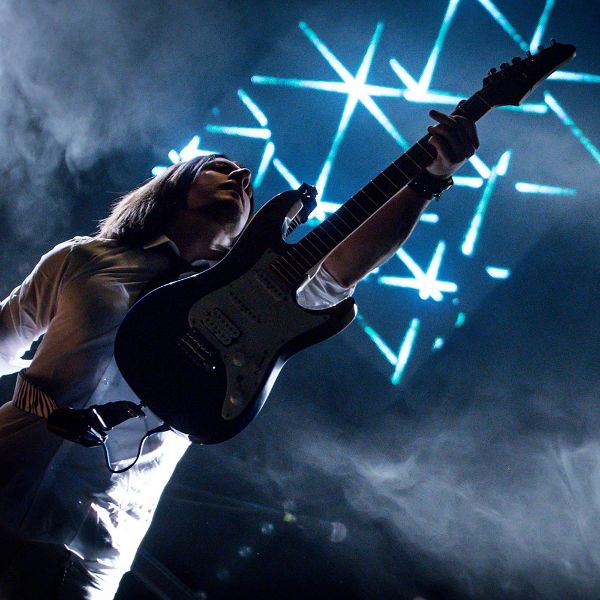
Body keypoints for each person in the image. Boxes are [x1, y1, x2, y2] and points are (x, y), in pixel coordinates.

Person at [0, 108, 478, 599]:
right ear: (178, 182)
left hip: (85, 550)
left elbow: (344, 268)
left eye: (247, 183)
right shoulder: (83, 259)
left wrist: (428, 181)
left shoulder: (261, 300)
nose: (243, 176)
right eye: (222, 168)